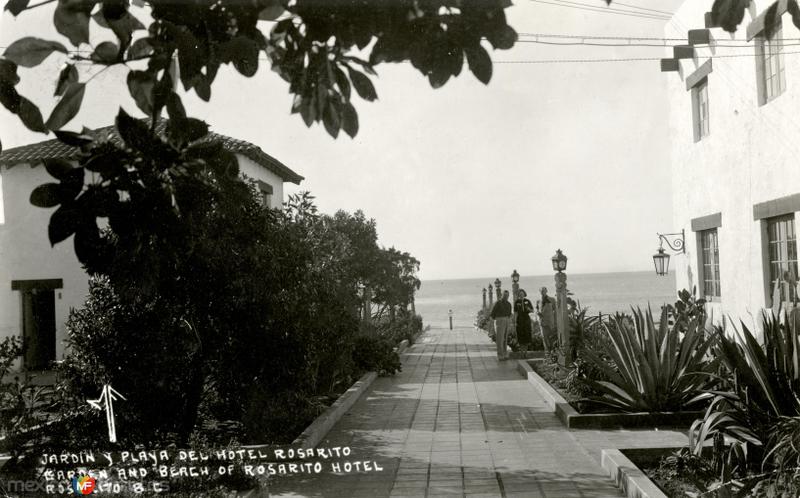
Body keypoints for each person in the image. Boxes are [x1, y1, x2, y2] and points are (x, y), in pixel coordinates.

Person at [490, 290, 512, 361]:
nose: (506, 297)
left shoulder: (509, 304)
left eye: (507, 295)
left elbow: (509, 314)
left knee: (505, 339)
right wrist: (492, 326)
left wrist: (510, 321)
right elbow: (492, 314)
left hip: (506, 320)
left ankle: (505, 353)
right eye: (504, 295)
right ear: (501, 295)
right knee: (500, 339)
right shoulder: (498, 303)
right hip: (499, 321)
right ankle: (500, 355)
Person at [537, 287, 557, 352]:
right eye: (541, 291)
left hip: (550, 321)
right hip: (542, 322)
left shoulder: (552, 300)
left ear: (546, 291)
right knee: (544, 337)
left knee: (552, 337)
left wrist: (555, 321)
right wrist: (538, 313)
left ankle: (553, 351)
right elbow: (537, 309)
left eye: (544, 291)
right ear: (539, 292)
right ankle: (547, 352)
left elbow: (555, 310)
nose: (542, 292)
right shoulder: (538, 301)